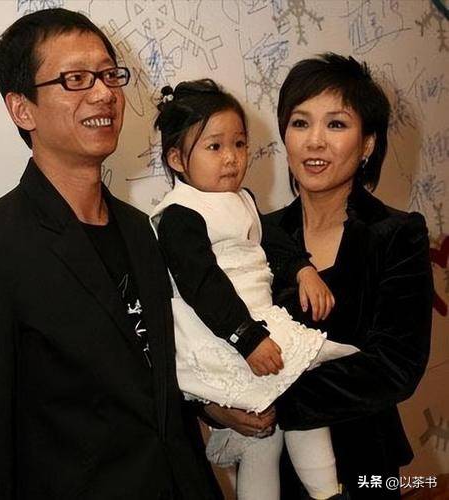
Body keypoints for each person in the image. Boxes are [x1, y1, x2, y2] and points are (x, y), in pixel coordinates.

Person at [0, 9, 222, 500]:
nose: (103, 94)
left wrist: (211, 408)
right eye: (75, 79)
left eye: (109, 75)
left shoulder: (142, 230)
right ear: (22, 110)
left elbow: (146, 382)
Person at [206, 53, 433, 499]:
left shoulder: (397, 234)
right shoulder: (255, 233)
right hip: (273, 467)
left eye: (336, 124)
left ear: (367, 144)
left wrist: (269, 399)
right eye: (300, 123)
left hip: (365, 463)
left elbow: (395, 367)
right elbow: (214, 334)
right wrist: (216, 407)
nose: (314, 141)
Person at [150, 79, 359, 500]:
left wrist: (302, 270)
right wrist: (247, 338)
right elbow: (203, 286)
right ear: (176, 159)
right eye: (214, 147)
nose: (231, 157)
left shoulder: (242, 198)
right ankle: (326, 492)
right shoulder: (179, 215)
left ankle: (326, 491)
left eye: (240, 144)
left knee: (275, 430)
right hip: (225, 333)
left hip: (257, 324)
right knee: (279, 418)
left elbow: (273, 242)